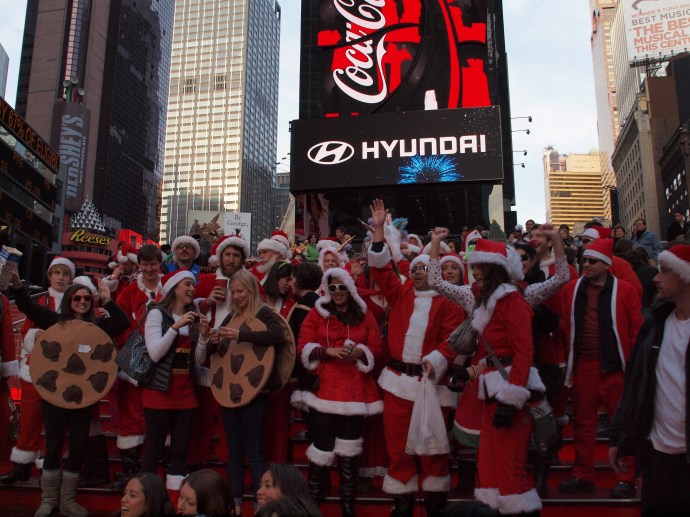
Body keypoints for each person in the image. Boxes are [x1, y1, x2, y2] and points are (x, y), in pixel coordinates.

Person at [428, 231, 551, 516]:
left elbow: (523, 353)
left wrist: (511, 399)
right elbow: (495, 355)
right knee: (490, 471)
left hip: (509, 397)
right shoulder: (488, 302)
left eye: (479, 267)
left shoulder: (512, 301)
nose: (475, 273)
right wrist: (469, 373)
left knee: (510, 475)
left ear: (494, 269)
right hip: (491, 394)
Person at [368, 199, 464, 517]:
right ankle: (403, 499)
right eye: (417, 268)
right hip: (398, 385)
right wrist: (379, 230)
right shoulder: (402, 292)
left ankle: (435, 499)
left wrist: (436, 359)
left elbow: (452, 342)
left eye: (426, 268)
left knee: (434, 444)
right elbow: (381, 269)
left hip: (431, 384)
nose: (420, 272)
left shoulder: (450, 302)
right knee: (397, 445)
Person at [12, 273, 129, 517]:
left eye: (87, 298)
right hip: (54, 397)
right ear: (69, 300)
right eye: (77, 297)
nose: (82, 301)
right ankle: (47, 500)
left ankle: (67, 501)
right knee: (53, 447)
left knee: (77, 448)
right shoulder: (55, 321)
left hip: (83, 400)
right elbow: (29, 307)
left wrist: (106, 299)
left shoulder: (97, 326)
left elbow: (122, 323)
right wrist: (17, 286)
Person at [608, 243, 690, 516]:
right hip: (658, 457)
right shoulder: (654, 327)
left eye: (665, 271)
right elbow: (636, 386)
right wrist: (621, 437)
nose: (655, 277)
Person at [293, 268, 383, 516]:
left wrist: (360, 352)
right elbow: (303, 347)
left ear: (350, 288)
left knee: (348, 454)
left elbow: (377, 346)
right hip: (324, 391)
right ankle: (313, 507)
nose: (337, 292)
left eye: (342, 287)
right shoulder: (317, 313)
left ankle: (347, 508)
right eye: (332, 288)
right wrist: (327, 352)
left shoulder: (364, 316)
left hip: (354, 391)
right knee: (321, 450)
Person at [558, 238, 642, 498]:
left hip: (616, 368)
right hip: (584, 365)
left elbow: (637, 329)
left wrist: (636, 368)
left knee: (623, 423)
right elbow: (563, 327)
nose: (586, 264)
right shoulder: (571, 290)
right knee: (583, 423)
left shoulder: (626, 291)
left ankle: (626, 476)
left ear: (606, 264)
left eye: (592, 261)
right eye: (584, 260)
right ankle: (583, 474)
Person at [210, 270, 287, 516]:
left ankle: (261, 504)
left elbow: (278, 335)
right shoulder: (230, 316)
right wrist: (212, 339)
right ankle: (234, 505)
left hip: (256, 391)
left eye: (241, 291)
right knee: (234, 450)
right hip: (230, 392)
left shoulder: (264, 313)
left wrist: (242, 334)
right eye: (234, 292)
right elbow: (221, 349)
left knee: (253, 449)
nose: (237, 296)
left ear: (252, 290)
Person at [1, 257, 76, 486]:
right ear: (49, 276)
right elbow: (26, 333)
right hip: (35, 369)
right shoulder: (40, 300)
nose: (61, 277)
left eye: (65, 273)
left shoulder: (76, 301)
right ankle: (22, 466)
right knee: (30, 419)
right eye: (57, 273)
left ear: (70, 278)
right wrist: (37, 336)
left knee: (57, 423)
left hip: (64, 372)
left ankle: (50, 466)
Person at [140, 270, 209, 498]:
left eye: (193, 284)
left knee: (180, 453)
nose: (192, 288)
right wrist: (175, 326)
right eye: (187, 284)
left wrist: (204, 336)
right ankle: (148, 502)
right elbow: (155, 353)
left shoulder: (193, 315)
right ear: (175, 288)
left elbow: (197, 361)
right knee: (154, 451)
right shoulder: (157, 314)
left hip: (186, 394)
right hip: (159, 392)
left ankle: (174, 501)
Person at [111, 244, 165, 491]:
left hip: (164, 357)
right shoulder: (130, 291)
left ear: (159, 264)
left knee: (159, 413)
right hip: (136, 355)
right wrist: (132, 348)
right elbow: (120, 322)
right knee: (131, 413)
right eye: (145, 265)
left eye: (153, 264)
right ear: (139, 265)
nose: (149, 269)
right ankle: (130, 471)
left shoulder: (170, 287)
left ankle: (155, 469)